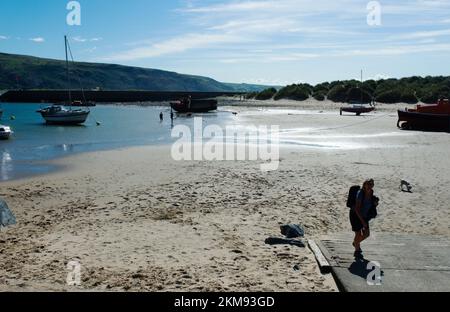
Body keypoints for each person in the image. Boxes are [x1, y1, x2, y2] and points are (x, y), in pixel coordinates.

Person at [350, 179, 376, 258]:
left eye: (371, 184)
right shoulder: (360, 193)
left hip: (364, 216)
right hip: (356, 215)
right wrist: (363, 222)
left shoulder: (371, 192)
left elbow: (369, 204)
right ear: (364, 184)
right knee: (358, 233)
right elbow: (357, 209)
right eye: (367, 184)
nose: (369, 186)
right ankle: (357, 250)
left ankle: (355, 243)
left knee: (366, 234)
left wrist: (375, 204)